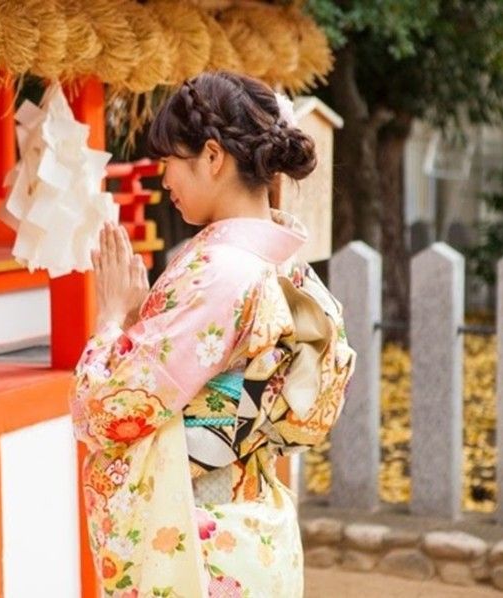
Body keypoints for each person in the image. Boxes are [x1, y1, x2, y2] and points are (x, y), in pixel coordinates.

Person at [70, 71, 355, 597]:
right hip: (253, 528)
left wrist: (111, 320)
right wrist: (140, 323)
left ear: (213, 156)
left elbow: (109, 412)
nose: (164, 179)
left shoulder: (216, 272)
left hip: (202, 543)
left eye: (169, 161)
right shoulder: (287, 266)